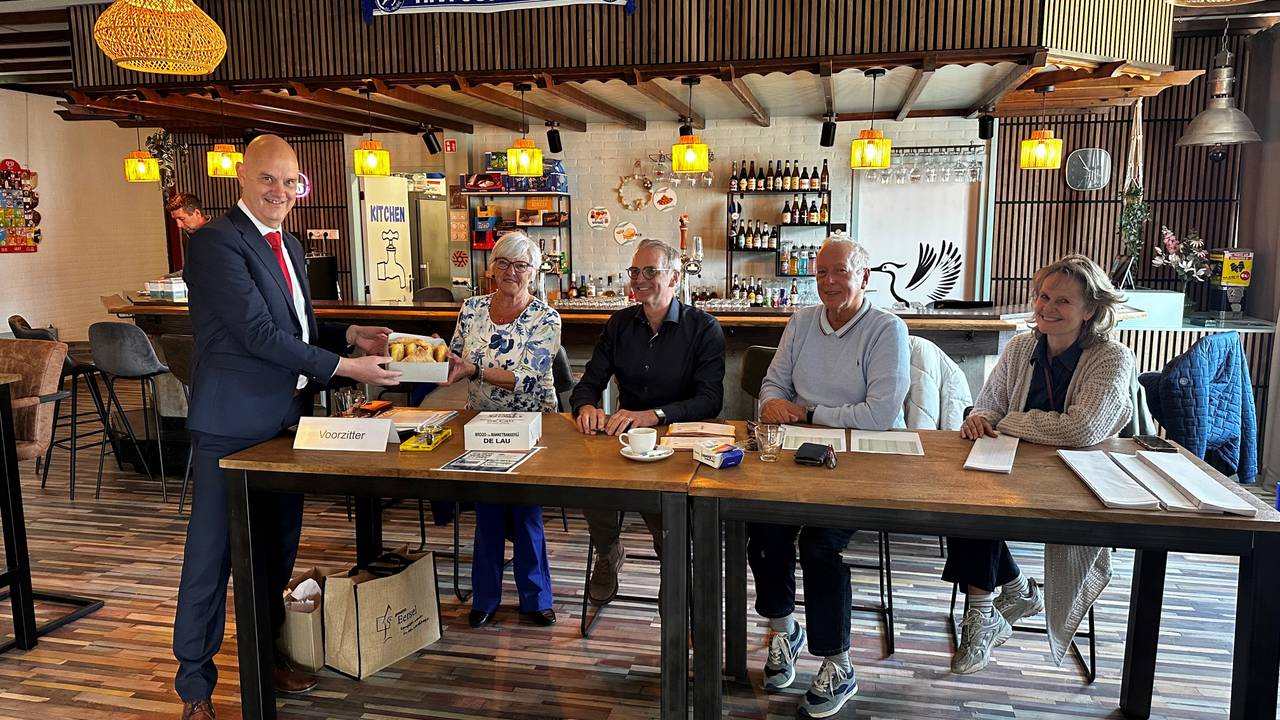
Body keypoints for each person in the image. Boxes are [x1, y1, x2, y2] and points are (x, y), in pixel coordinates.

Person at [176, 135, 401, 720]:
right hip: (231, 425)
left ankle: (267, 655)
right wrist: (347, 368)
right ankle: (194, 688)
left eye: (289, 181)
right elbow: (255, 334)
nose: (280, 191)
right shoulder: (215, 243)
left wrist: (347, 336)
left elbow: (297, 327)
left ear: (301, 185)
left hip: (287, 423)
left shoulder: (291, 246)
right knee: (211, 556)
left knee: (277, 549)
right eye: (267, 180)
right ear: (242, 181)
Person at [948, 254, 1133, 675]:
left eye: (1063, 301)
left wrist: (1009, 423)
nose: (1047, 308)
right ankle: (985, 612)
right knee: (964, 503)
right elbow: (988, 405)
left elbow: (1082, 430)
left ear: (1091, 310)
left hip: (1079, 478)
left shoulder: (1111, 358)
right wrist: (979, 418)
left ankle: (1013, 593)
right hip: (1012, 467)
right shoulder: (1021, 346)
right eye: (1043, 297)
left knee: (978, 509)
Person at [749, 234, 909, 719]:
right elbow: (771, 386)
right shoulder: (800, 322)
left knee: (819, 543)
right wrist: (773, 402)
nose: (831, 281)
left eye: (841, 271)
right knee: (763, 529)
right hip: (803, 454)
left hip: (868, 461)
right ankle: (784, 629)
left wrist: (808, 411)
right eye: (822, 272)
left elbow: (881, 414)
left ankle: (838, 662)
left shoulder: (887, 329)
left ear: (864, 276)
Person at [569, 238, 725, 604]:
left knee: (667, 516)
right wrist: (586, 407)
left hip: (678, 442)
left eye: (651, 271)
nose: (640, 279)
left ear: (675, 277)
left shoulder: (703, 328)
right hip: (626, 441)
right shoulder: (620, 324)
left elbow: (710, 401)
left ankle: (674, 569)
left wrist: (653, 416)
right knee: (593, 487)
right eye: (635, 271)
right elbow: (588, 383)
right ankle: (608, 553)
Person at [440, 231, 562, 629]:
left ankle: (535, 599)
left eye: (521, 265)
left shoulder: (546, 317)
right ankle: (486, 598)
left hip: (532, 424)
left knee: (526, 512)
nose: (511, 272)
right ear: (491, 268)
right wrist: (422, 353)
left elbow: (528, 376)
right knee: (488, 511)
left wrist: (473, 370)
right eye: (503, 264)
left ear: (534, 272)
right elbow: (455, 355)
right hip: (480, 422)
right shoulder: (471, 309)